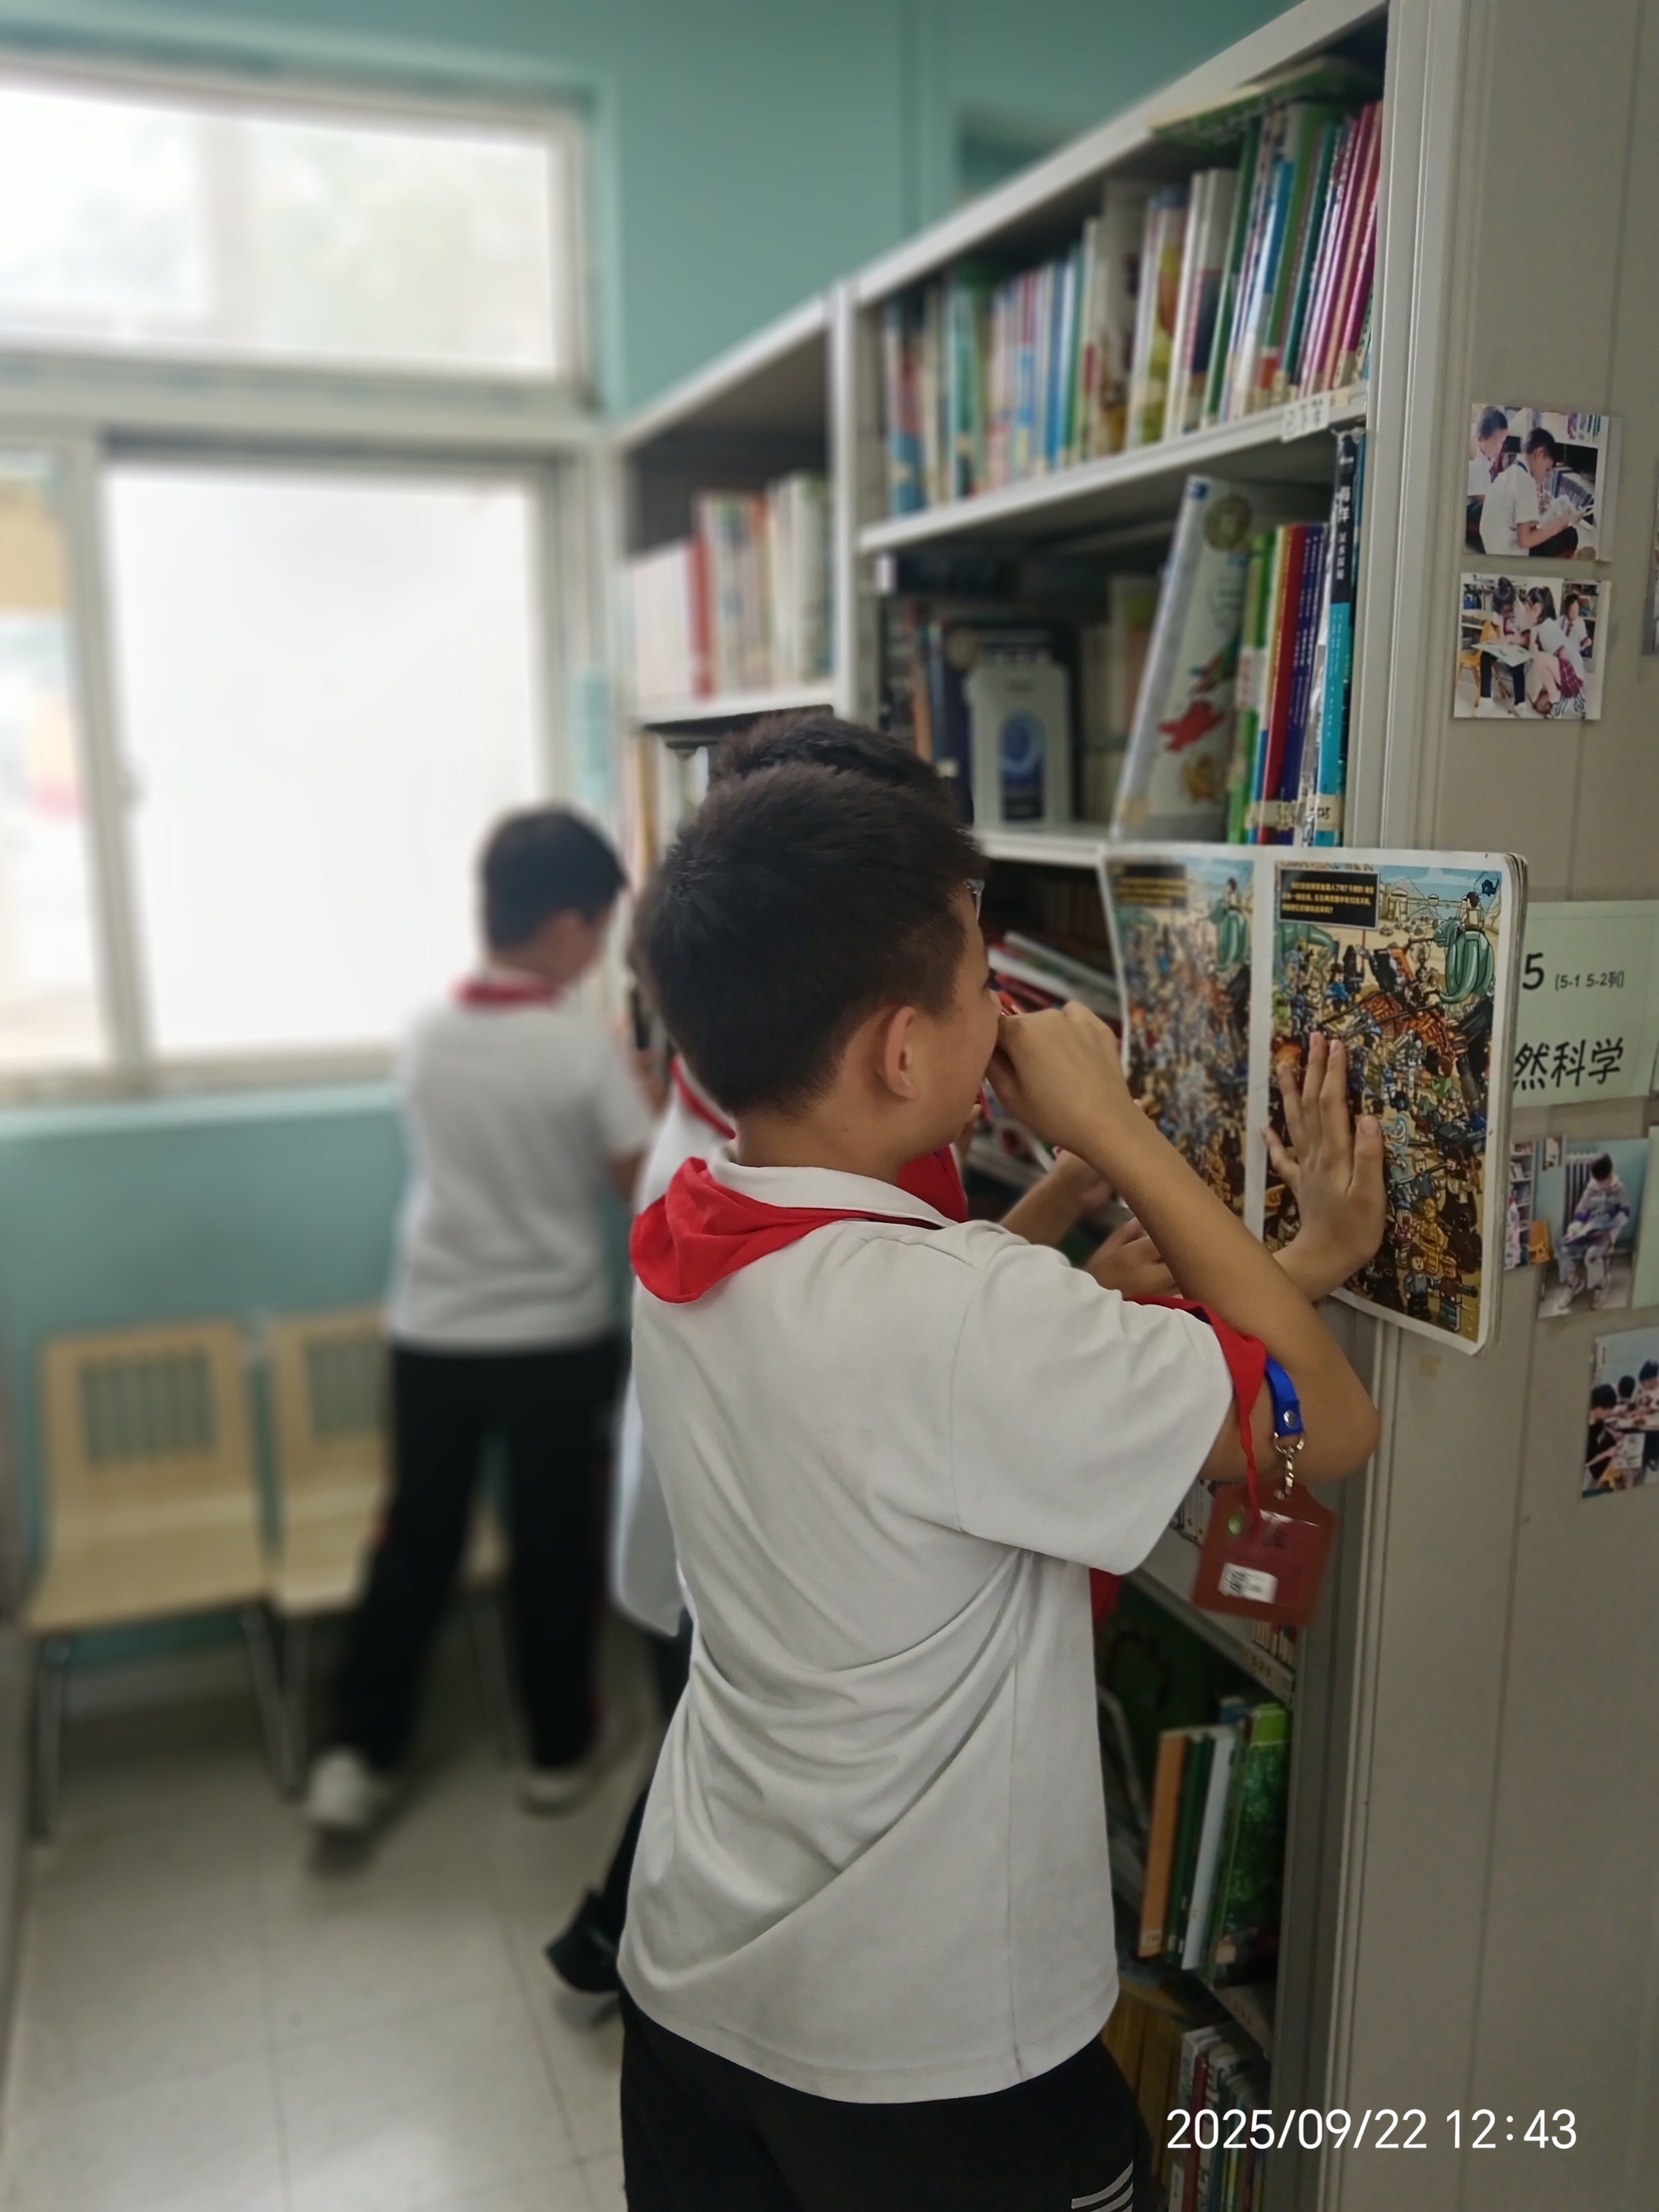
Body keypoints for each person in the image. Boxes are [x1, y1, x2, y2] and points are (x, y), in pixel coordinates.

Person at [616, 757, 1381, 2211]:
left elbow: (918, 1399)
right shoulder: (961, 1316)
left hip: (699, 1970)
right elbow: (1321, 1421)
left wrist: (1084, 1229)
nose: (1016, 1016)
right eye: (985, 984)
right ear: (902, 1051)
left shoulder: (695, 1221)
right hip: (923, 2045)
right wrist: (1116, 1133)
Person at [548, 714, 1143, 1995]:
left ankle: (635, 1940)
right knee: (789, 1775)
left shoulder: (745, 1143)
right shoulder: (838, 1148)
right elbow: (918, 1328)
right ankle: (623, 1935)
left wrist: (1058, 1215)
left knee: (754, 1761)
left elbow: (905, 1333)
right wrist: (1107, 1172)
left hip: (776, 1553)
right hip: (792, 1577)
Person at [305, 807, 655, 1837]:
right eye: (598, 929)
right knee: (554, 1545)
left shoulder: (424, 1031)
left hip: (433, 1327)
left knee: (417, 1535)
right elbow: (640, 1189)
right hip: (552, 1336)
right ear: (566, 924)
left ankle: (358, 1753)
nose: (596, 950)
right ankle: (557, 1749)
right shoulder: (578, 1050)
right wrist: (638, 1100)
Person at [1479, 425, 1580, 559]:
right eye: (1547, 470)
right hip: (1512, 556)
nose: (1545, 477)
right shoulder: (1527, 481)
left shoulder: (1510, 473)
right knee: (1570, 535)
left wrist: (1535, 506)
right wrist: (1557, 527)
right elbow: (1525, 541)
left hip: (1493, 549)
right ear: (1540, 454)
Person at [1553, 1152, 1631, 1313]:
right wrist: (1574, 1231)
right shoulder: (1591, 1189)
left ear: (1611, 1172)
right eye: (1599, 1182)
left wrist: (1610, 1232)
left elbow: (1625, 1215)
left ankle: (1602, 1284)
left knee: (1592, 1256)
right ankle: (1574, 1283)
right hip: (1587, 1232)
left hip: (1605, 1234)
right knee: (1564, 1249)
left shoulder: (1619, 1189)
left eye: (1606, 1181)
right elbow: (1580, 1215)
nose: (1603, 1186)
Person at [1586, 1382, 1621, 1492]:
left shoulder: (1598, 1417)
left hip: (1609, 1449)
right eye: (1608, 1411)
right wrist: (1608, 1453)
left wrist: (1613, 1433)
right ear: (1599, 1408)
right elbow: (1588, 1462)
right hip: (1600, 1466)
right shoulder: (1588, 1431)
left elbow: (1602, 1426)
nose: (1609, 1414)